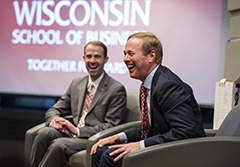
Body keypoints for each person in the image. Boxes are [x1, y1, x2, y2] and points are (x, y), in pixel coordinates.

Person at [91, 32, 206, 167]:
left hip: (178, 154)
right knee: (99, 152)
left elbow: (185, 132)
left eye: (131, 53)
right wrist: (118, 137)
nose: (125, 59)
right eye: (124, 53)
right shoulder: (149, 85)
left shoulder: (168, 86)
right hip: (163, 147)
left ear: (151, 56)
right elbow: (150, 125)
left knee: (111, 157)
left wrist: (140, 145)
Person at [29, 41, 127, 167]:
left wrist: (77, 130)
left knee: (59, 145)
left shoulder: (116, 89)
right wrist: (54, 120)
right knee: (44, 133)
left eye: (97, 56)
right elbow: (54, 109)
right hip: (71, 134)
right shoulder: (77, 83)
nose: (92, 61)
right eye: (89, 56)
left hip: (93, 138)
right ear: (83, 58)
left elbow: (111, 126)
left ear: (106, 59)